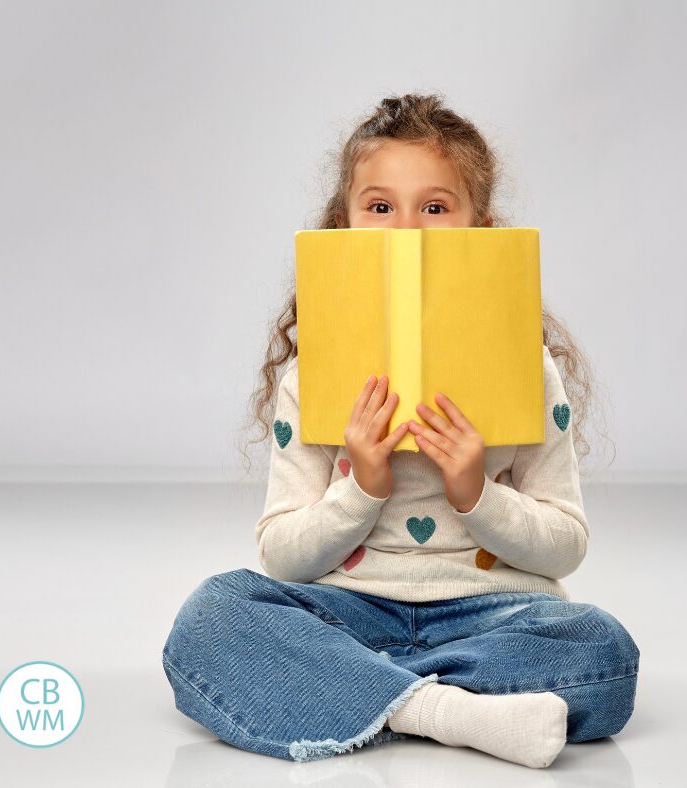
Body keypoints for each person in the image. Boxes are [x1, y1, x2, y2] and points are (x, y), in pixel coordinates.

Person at [162, 92, 640, 769]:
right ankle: (445, 713)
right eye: (381, 208)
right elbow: (283, 557)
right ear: (344, 226)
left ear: (483, 230)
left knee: (604, 651)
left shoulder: (528, 372)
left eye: (436, 208)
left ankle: (354, 696)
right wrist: (361, 488)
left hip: (491, 620)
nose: (408, 230)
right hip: (346, 620)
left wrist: (476, 491)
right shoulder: (313, 375)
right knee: (209, 620)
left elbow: (564, 548)